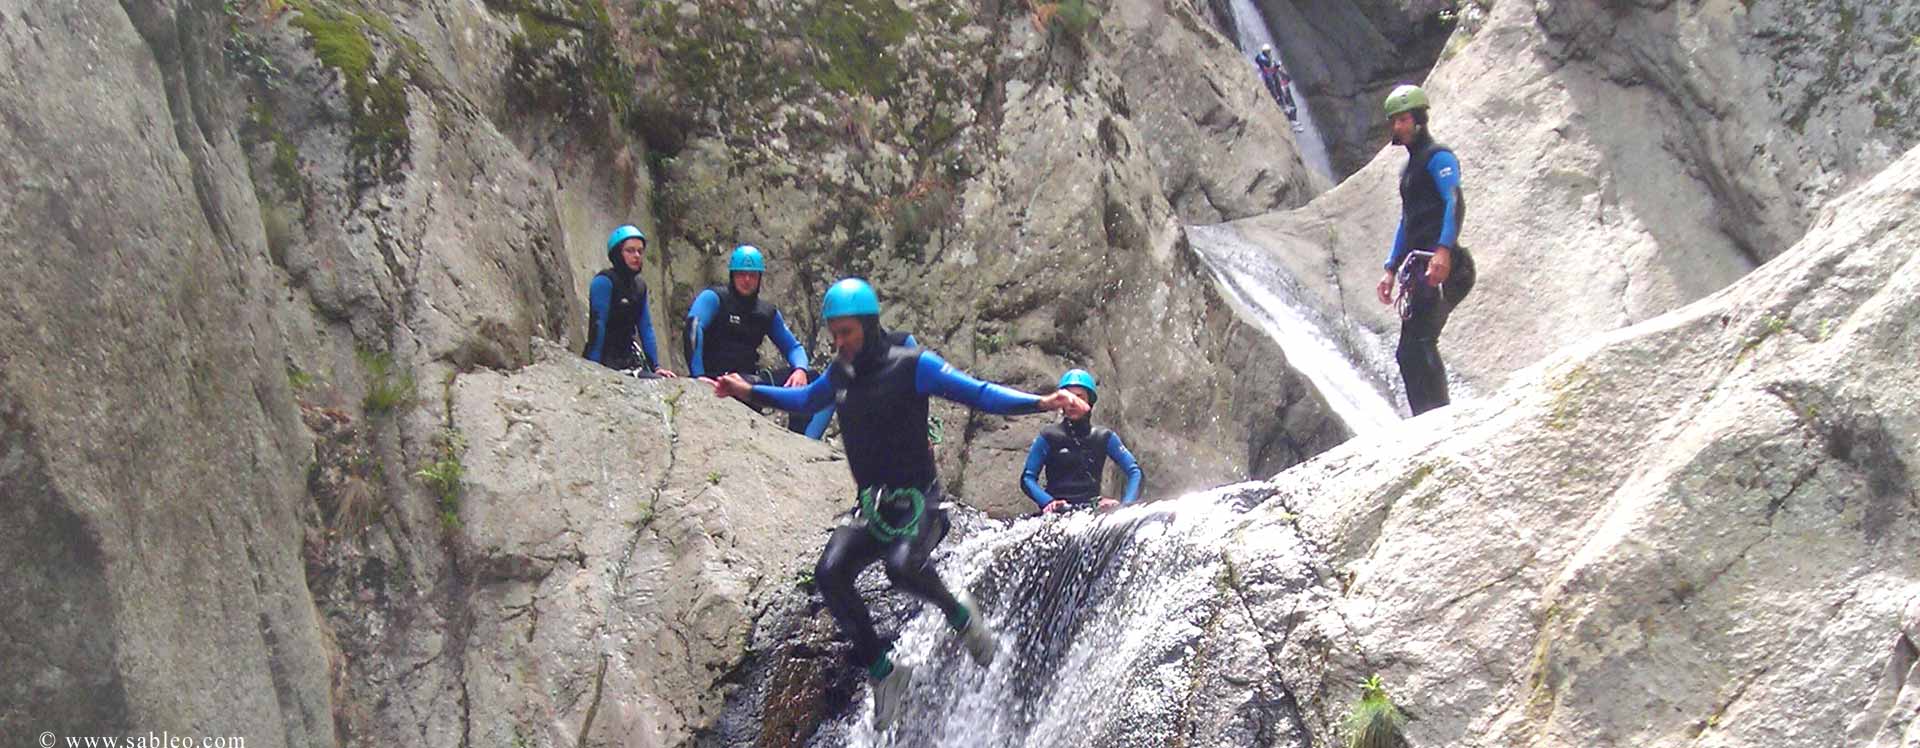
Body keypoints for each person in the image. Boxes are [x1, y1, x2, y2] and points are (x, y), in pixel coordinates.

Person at [708, 278, 1090, 726]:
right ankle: (884, 672)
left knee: (901, 566)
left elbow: (980, 393)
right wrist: (748, 391)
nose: (839, 342)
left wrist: (1043, 401)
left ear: (869, 326)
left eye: (846, 332)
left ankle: (961, 617)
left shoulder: (913, 365)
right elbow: (807, 398)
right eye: (834, 333)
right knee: (830, 573)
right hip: (873, 508)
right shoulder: (841, 373)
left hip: (921, 505)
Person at [1373, 84, 1475, 416]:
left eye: (1403, 119)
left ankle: (1441, 418)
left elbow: (1454, 201)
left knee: (1421, 341)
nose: (1397, 127)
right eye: (1394, 121)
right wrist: (1390, 268)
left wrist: (1444, 250)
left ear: (1419, 120)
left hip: (1445, 264)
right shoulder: (1409, 171)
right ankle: (1425, 419)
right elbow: (1408, 222)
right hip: (1421, 267)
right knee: (1406, 352)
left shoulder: (1438, 157)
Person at [686, 245, 825, 436]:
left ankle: (803, 442)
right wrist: (698, 376)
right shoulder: (715, 298)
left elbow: (793, 347)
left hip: (749, 384)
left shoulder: (765, 312)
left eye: (752, 275)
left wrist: (800, 369)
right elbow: (694, 327)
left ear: (759, 278)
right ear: (732, 275)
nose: (747, 280)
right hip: (718, 380)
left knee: (815, 380)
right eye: (741, 274)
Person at [1021, 369, 1144, 514]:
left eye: (1079, 397)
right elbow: (1027, 478)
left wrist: (1126, 506)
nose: (1073, 403)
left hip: (1092, 511)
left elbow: (1135, 472)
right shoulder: (1049, 436)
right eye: (1068, 398)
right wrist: (1048, 502)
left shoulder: (1103, 436)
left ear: (1089, 402)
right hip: (1058, 512)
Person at [583, 225, 675, 378]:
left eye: (640, 251)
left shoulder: (639, 286)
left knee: (659, 380)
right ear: (617, 253)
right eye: (630, 250)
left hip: (629, 359)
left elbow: (646, 327)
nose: (637, 256)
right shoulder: (604, 281)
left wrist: (655, 367)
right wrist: (594, 367)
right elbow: (598, 325)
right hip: (606, 359)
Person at [1254, 43, 1297, 119]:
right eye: (1267, 52)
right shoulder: (1262, 61)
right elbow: (1266, 71)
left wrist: (1279, 69)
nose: (1268, 53)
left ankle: (1287, 106)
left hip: (1275, 80)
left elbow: (1275, 70)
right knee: (1273, 83)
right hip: (1267, 81)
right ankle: (1281, 102)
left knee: (1283, 88)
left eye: (1269, 51)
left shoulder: (1271, 61)